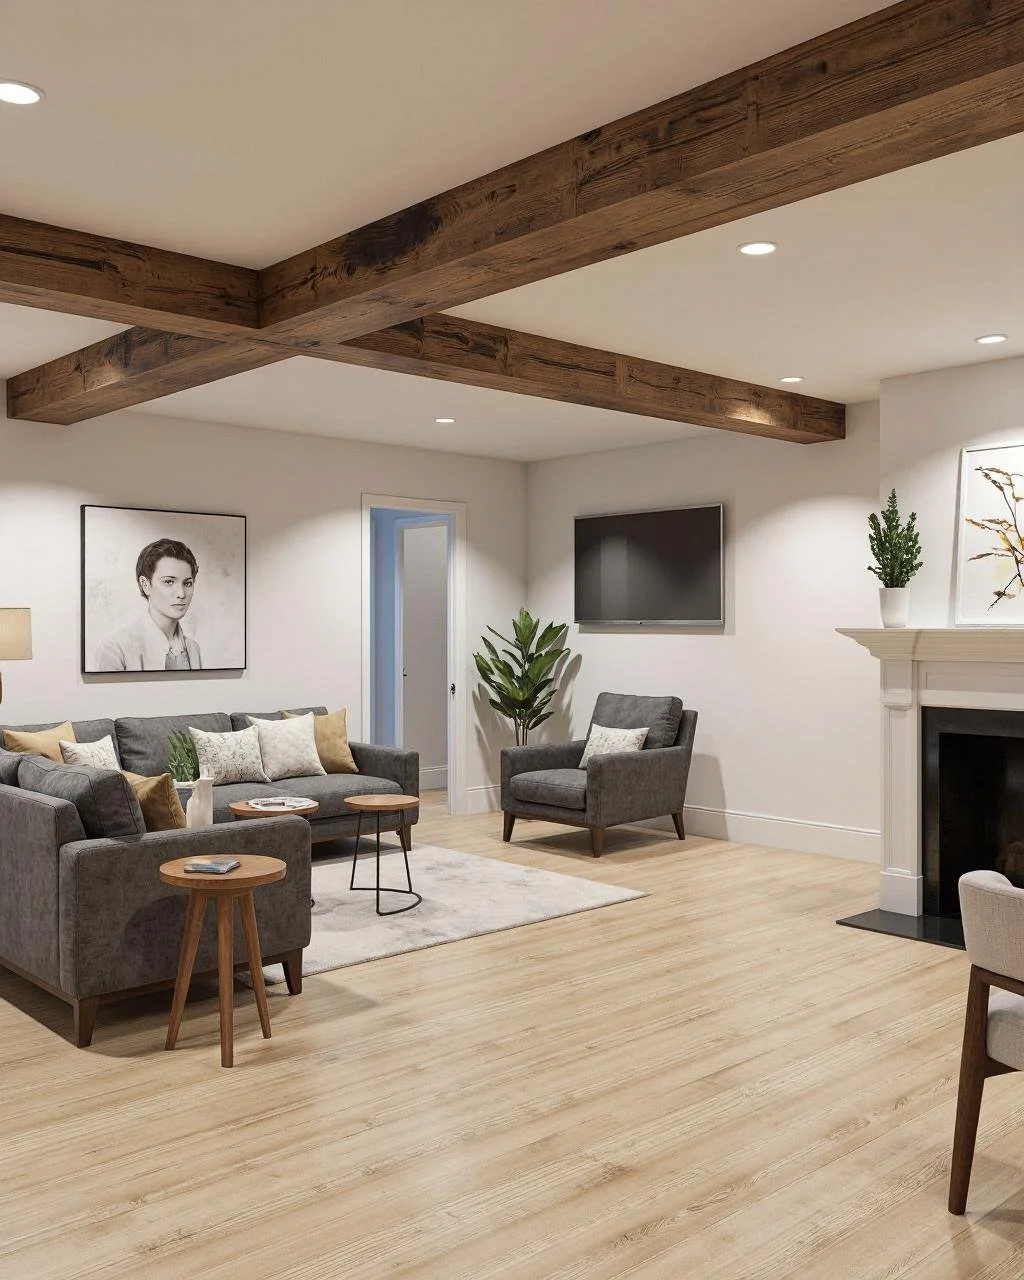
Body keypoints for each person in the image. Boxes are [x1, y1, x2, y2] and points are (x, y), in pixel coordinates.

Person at [94, 538, 203, 671]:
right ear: (145, 585)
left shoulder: (193, 648)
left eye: (187, 583)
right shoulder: (116, 648)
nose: (181, 593)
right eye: (169, 582)